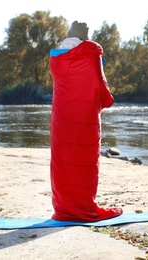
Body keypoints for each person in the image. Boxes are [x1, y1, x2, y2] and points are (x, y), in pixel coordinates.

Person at [49, 21, 123, 222]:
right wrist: (107, 99)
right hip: (84, 114)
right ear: (85, 37)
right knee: (84, 158)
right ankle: (84, 208)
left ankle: (64, 208)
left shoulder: (56, 56)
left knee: (63, 158)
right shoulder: (91, 52)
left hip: (61, 115)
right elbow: (99, 82)